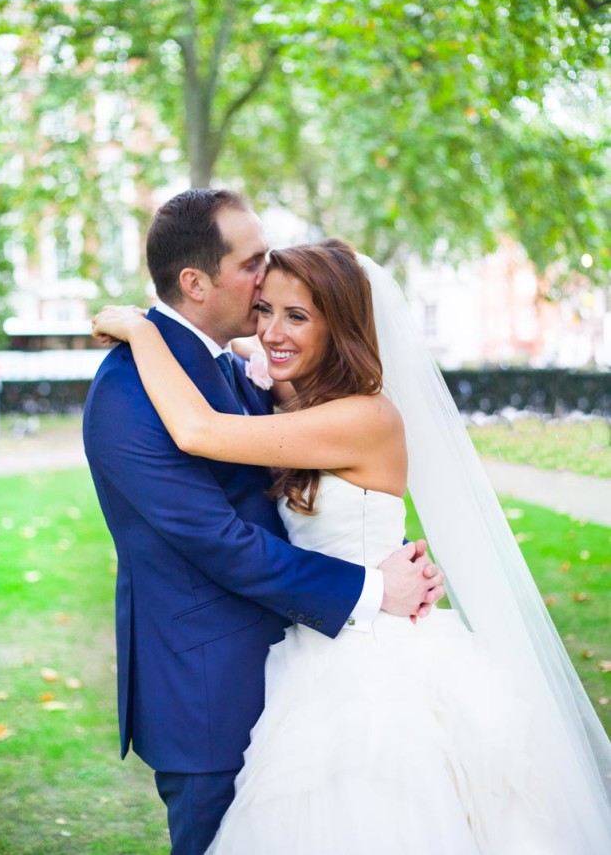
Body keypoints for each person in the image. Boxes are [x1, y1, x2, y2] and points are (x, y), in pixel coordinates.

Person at [93, 235, 611, 853]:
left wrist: (144, 330)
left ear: (339, 326)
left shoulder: (364, 418)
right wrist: (229, 339)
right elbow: (227, 360)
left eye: (298, 316)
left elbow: (199, 429)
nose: (272, 332)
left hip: (370, 658)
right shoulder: (284, 396)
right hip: (308, 650)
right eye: (265, 310)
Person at [82, 189, 445, 855]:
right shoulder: (131, 391)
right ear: (195, 282)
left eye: (295, 311)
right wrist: (372, 586)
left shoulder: (249, 373)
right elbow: (222, 540)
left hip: (309, 669)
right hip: (209, 695)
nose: (266, 277)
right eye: (254, 264)